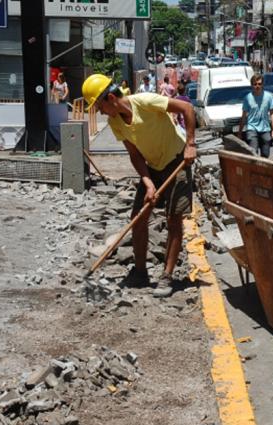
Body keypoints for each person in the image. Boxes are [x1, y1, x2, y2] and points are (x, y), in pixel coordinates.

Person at [82, 74, 197, 298]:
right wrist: (148, 183)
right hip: (152, 167)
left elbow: (186, 109)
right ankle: (141, 272)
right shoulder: (116, 122)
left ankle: (167, 276)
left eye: (100, 107)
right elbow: (134, 155)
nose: (101, 113)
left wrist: (191, 144)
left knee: (174, 219)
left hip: (177, 160)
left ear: (111, 98)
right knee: (138, 216)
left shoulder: (145, 102)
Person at [238, 73, 273, 158]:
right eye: (255, 84)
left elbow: (272, 113)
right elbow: (244, 116)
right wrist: (240, 132)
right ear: (252, 85)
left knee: (265, 154)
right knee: (253, 153)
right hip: (251, 129)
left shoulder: (268, 97)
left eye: (259, 84)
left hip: (265, 129)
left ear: (262, 85)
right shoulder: (247, 98)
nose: (257, 86)